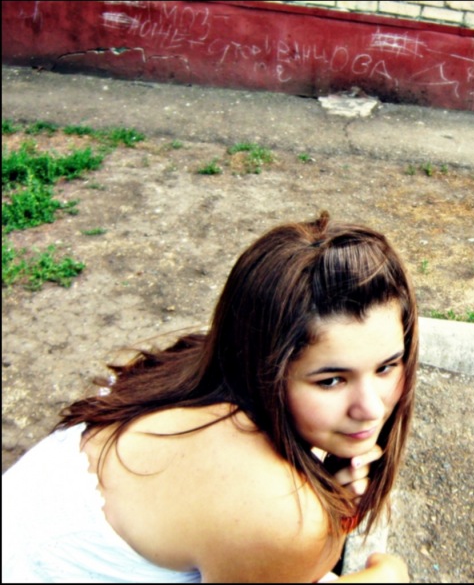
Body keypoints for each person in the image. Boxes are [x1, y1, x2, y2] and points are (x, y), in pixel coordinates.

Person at [2, 211, 418, 583]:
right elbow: (276, 534)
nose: (371, 408)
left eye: (386, 367)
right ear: (266, 367)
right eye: (330, 381)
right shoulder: (279, 513)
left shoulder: (197, 368)